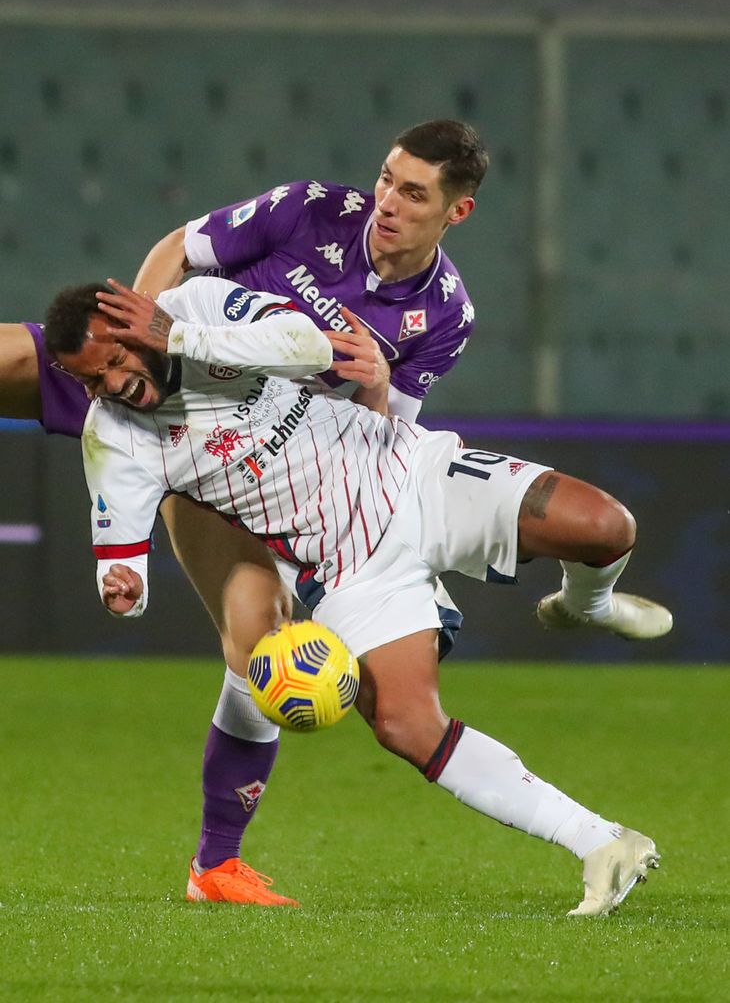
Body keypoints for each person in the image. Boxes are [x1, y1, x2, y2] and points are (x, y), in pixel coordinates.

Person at [44, 275, 670, 916]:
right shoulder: (112, 435)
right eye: (90, 381)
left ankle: (586, 605)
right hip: (350, 568)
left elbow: (309, 347)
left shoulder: (197, 306)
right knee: (405, 724)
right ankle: (601, 843)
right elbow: (120, 562)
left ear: (138, 326)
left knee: (604, 527)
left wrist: (177, 334)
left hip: (408, 472)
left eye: (115, 362)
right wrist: (124, 588)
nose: (112, 386)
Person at [1, 119, 489, 906]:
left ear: (454, 212)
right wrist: (148, 342)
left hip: (243, 464)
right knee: (11, 360)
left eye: (412, 192)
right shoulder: (310, 209)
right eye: (387, 178)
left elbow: (388, 438)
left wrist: (367, 381)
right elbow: (181, 245)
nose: (386, 201)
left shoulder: (445, 318)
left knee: (258, 646)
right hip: (151, 383)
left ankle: (215, 866)